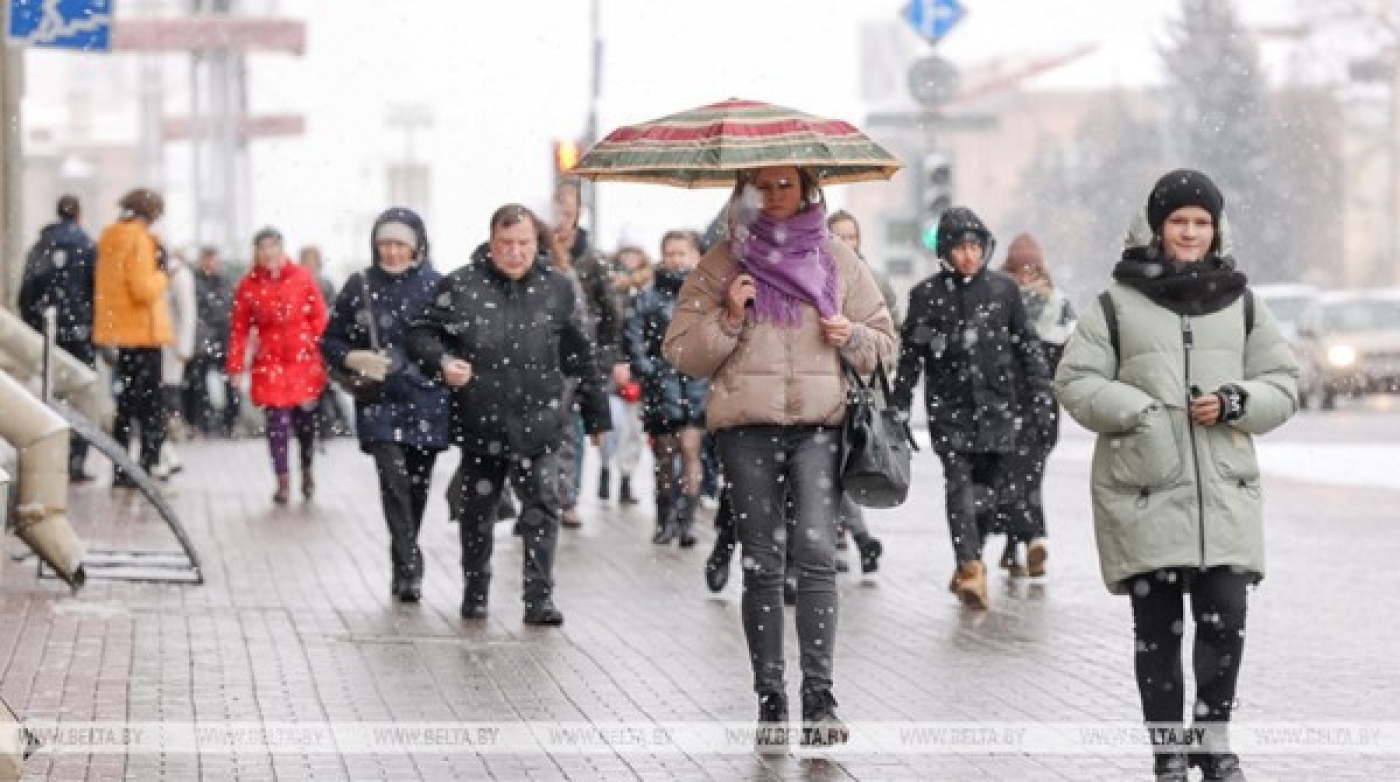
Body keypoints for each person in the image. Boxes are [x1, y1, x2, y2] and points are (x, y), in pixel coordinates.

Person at [1054, 170, 1298, 782]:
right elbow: (1074, 381)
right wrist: (1137, 409)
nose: (1190, 232)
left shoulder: (1243, 304)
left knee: (1225, 623)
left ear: (1216, 230)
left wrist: (1237, 400)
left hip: (1224, 493)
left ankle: (1213, 744)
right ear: (1157, 228)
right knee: (1157, 636)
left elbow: (1283, 384)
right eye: (1179, 221)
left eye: (1201, 222)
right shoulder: (1116, 304)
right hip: (1144, 492)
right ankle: (1168, 753)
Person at [664, 166, 895, 749]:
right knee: (762, 563)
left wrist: (853, 336)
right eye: (760, 186)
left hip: (820, 427)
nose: (772, 196)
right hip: (747, 430)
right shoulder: (722, 260)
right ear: (745, 192)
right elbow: (683, 351)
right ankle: (771, 698)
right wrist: (730, 317)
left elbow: (884, 342)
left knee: (817, 555)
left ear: (808, 188)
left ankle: (819, 698)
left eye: (784, 185)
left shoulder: (838, 258)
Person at [408, 204, 611, 627]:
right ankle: (475, 590)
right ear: (491, 242)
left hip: (539, 419)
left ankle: (539, 599)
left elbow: (579, 352)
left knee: (542, 506)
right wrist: (442, 361)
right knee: (478, 512)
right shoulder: (461, 285)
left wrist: (597, 416)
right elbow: (419, 333)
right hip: (481, 420)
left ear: (536, 244)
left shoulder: (555, 287)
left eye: (523, 244)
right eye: (506, 244)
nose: (515, 253)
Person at [890, 207, 1052, 611]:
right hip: (951, 410)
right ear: (945, 250)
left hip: (999, 407)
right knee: (960, 487)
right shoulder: (926, 296)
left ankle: (971, 559)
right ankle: (970, 564)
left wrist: (1041, 396)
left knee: (992, 494)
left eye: (975, 247)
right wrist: (898, 409)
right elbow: (910, 359)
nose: (969, 255)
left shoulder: (1003, 291)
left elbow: (1027, 346)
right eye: (960, 247)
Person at [322, 208, 449, 603]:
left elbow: (456, 340)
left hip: (427, 401)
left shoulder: (437, 286)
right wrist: (354, 358)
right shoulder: (359, 285)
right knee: (393, 482)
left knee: (417, 486)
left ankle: (405, 551)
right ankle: (408, 565)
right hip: (380, 402)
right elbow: (330, 340)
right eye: (384, 245)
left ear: (416, 247)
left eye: (399, 244)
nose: (391, 252)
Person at [994, 233, 1078, 576]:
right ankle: (1032, 540)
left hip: (1022, 402)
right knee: (1025, 476)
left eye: (1031, 269)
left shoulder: (1000, 299)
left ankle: (1016, 546)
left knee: (1020, 477)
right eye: (1020, 269)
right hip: (1031, 403)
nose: (1026, 277)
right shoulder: (1057, 305)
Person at [226, 227, 329, 505]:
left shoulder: (302, 278)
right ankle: (282, 480)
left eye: (274, 247)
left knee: (306, 423)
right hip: (269, 363)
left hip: (303, 361)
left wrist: (326, 353)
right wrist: (236, 365)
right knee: (277, 425)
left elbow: (319, 318)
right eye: (263, 248)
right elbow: (239, 329)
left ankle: (307, 470)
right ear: (256, 253)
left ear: (282, 249)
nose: (269, 254)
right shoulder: (248, 286)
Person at [550, 180, 625, 527]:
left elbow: (611, 312)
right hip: (547, 355)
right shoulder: (538, 253)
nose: (561, 221)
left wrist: (608, 358)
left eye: (567, 213)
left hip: (583, 354)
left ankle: (568, 497)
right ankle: (543, 493)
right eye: (556, 213)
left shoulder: (592, 259)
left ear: (578, 214)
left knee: (575, 428)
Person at [626, 229, 707, 546]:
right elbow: (633, 340)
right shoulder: (646, 297)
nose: (675, 259)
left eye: (681, 253)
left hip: (696, 385)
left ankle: (687, 520)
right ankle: (665, 517)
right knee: (664, 454)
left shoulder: (704, 297)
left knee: (690, 451)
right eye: (670, 253)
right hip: (661, 386)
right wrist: (651, 372)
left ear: (694, 255)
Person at [823, 209, 890, 575]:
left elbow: (889, 332)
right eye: (838, 236)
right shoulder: (818, 277)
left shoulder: (873, 278)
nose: (846, 243)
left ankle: (852, 535)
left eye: (851, 236)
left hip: (862, 388)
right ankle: (851, 536)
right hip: (828, 385)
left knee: (850, 465)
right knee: (832, 469)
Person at [94, 188, 173, 487]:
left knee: (126, 405)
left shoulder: (110, 238)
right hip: (143, 334)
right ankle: (146, 466)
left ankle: (121, 467)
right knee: (151, 405)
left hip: (120, 333)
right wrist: (164, 275)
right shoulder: (139, 240)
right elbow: (142, 289)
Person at [18, 195, 99, 481]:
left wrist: (34, 324)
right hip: (79, 333)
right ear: (78, 214)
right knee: (82, 395)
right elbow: (96, 290)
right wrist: (91, 327)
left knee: (47, 394)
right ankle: (77, 458)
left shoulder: (41, 246)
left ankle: (49, 462)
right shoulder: (87, 246)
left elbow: (26, 292)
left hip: (46, 336)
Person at [600, 238, 651, 506]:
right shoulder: (607, 286)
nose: (631, 257)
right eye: (627, 251)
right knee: (612, 425)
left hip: (639, 370)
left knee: (632, 429)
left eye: (636, 251)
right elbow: (603, 330)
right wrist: (614, 361)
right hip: (610, 369)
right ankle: (605, 469)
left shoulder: (649, 289)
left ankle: (625, 479)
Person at [185, 246, 239, 437]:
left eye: (212, 259)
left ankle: (228, 423)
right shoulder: (194, 280)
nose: (210, 263)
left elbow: (231, 308)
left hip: (223, 338)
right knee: (198, 383)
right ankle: (202, 422)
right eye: (207, 259)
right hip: (203, 340)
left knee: (229, 384)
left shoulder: (225, 281)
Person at [155, 246, 198, 479]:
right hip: (155, 348)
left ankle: (166, 452)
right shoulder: (164, 272)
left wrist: (184, 347)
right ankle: (164, 452)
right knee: (160, 405)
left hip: (169, 351)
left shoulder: (178, 274)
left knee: (166, 403)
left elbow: (187, 314)